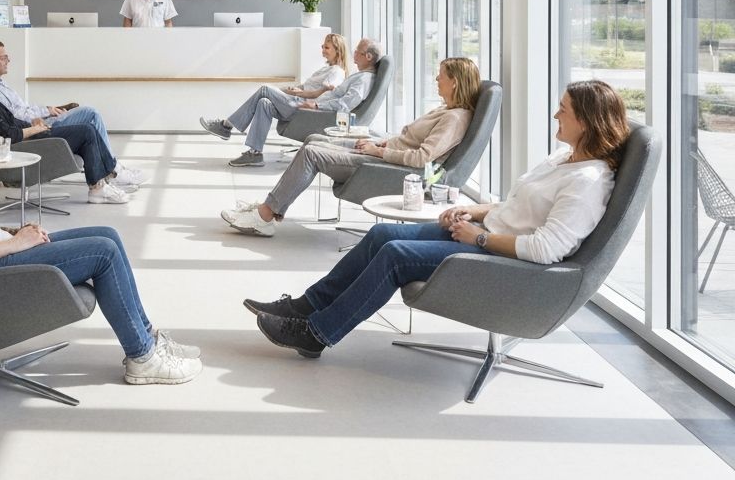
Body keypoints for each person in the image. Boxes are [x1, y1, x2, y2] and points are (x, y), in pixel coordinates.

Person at [246, 80, 629, 359]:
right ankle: (306, 306)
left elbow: (546, 249)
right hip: (485, 233)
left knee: (395, 255)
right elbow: (517, 206)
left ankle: (316, 333)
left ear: (586, 121)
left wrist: (478, 238)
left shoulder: (588, 181)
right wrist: (473, 212)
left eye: (564, 109)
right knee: (381, 234)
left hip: (505, 259)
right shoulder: (563, 159)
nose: (556, 114)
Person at [0, 78, 201, 384]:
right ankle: (142, 357)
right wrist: (14, 244)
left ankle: (148, 337)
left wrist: (11, 230)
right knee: (104, 253)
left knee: (108, 234)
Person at [221, 57, 481, 236]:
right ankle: (272, 207)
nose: (436, 78)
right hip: (384, 154)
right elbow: (410, 141)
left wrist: (379, 151)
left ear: (455, 82)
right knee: (314, 140)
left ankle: (265, 216)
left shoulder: (455, 119)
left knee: (311, 153)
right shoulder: (445, 110)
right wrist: (381, 142)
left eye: (441, 75)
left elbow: (422, 158)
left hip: (389, 167)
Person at [0, 52, 131, 204]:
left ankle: (100, 184)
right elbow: (5, 134)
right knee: (86, 131)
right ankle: (100, 184)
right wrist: (35, 130)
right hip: (24, 144)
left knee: (87, 130)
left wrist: (33, 124)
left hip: (28, 136)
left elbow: (10, 122)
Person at [0, 40, 146, 190]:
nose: (8, 60)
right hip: (35, 128)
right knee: (90, 114)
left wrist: (48, 109)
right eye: (3, 57)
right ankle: (114, 170)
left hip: (37, 122)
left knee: (89, 117)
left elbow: (22, 109)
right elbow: (17, 116)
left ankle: (109, 170)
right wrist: (46, 113)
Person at [200, 38, 382, 168]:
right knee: (264, 103)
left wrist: (316, 105)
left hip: (311, 111)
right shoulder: (359, 76)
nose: (353, 53)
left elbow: (345, 105)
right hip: (307, 106)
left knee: (264, 89)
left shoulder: (363, 79)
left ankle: (226, 126)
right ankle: (254, 153)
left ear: (368, 57)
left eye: (357, 51)